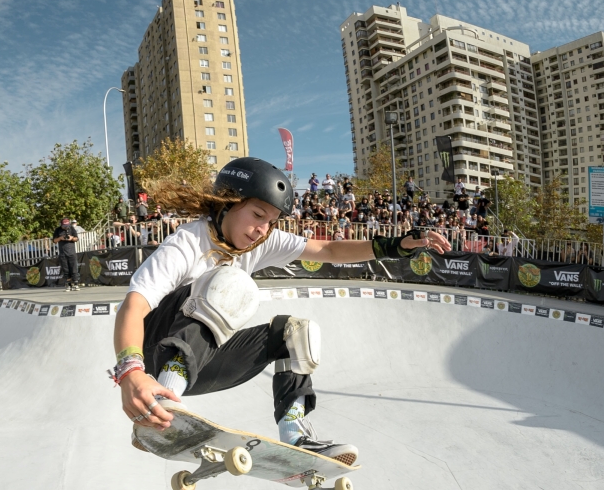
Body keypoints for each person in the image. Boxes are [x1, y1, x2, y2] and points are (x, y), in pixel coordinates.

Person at [110, 157, 451, 465]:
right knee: (230, 282)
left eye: (271, 222)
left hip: (205, 363)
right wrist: (131, 373)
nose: (262, 230)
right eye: (257, 215)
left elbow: (328, 249)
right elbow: (133, 306)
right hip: (155, 354)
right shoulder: (187, 242)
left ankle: (296, 435)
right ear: (226, 204)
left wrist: (396, 245)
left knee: (296, 332)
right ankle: (166, 399)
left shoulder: (263, 241)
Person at [54, 216, 81, 291]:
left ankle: (76, 284)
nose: (66, 227)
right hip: (63, 253)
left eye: (67, 226)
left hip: (72, 252)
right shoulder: (58, 230)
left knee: (74, 268)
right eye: (64, 226)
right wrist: (60, 238)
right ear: (61, 224)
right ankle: (68, 285)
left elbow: (77, 238)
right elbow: (54, 240)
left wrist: (72, 238)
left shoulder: (72, 228)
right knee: (66, 270)